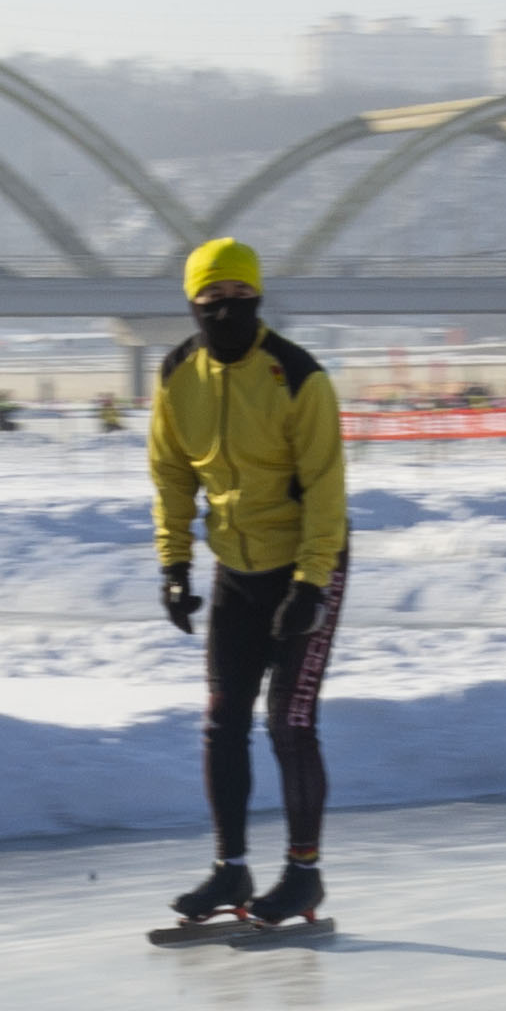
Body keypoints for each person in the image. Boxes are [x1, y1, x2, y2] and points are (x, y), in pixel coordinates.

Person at [150, 236, 350, 928]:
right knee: (222, 720)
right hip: (235, 565)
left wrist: (311, 584)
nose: (227, 309)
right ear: (193, 303)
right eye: (213, 298)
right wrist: (174, 566)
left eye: (240, 296)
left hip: (305, 563)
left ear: (258, 299)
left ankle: (303, 873)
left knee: (288, 722)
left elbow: (327, 491)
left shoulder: (297, 376)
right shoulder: (178, 374)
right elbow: (173, 475)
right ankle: (230, 867)